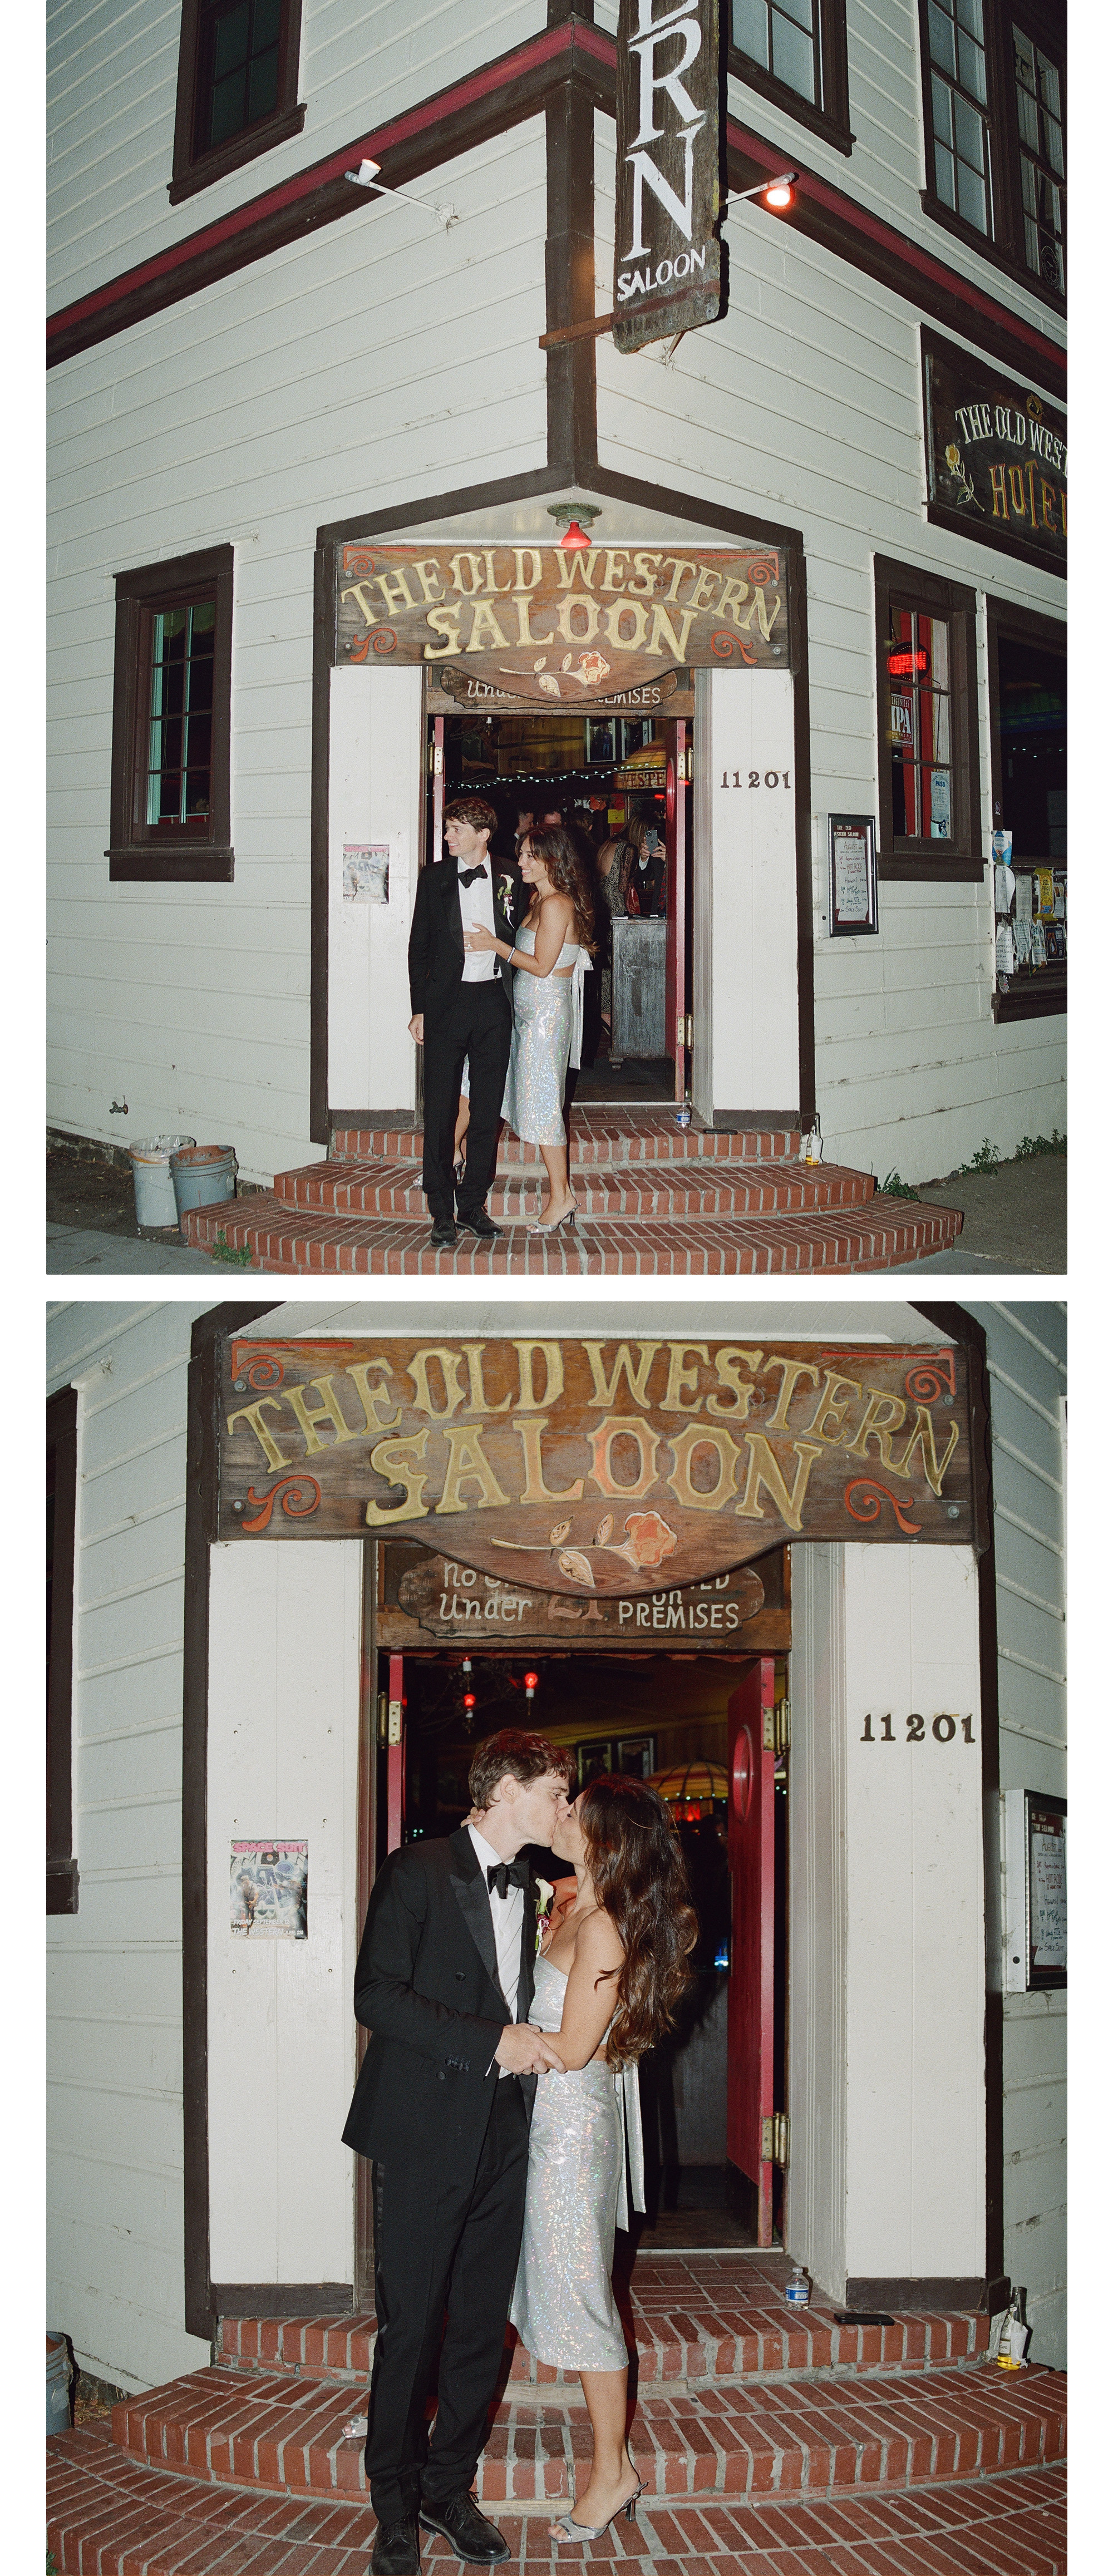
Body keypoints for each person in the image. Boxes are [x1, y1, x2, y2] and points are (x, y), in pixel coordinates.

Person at [342, 1731, 573, 2576]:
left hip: (505, 2136)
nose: (563, 1806)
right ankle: (394, 2505)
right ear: (507, 1788)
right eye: (555, 1790)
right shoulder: (418, 1871)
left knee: (481, 2324)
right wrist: (493, 2042)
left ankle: (449, 2489)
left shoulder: (543, 1888)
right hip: (421, 2133)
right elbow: (375, 1993)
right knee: (411, 2330)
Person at [509, 1776, 697, 2546]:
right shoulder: (568, 1901)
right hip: (536, 2120)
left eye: (574, 1808)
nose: (563, 1813)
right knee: (549, 2276)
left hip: (569, 2130)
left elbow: (574, 2047)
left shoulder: (605, 1930)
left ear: (603, 1836)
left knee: (584, 2291)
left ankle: (612, 2468)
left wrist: (485, 2040)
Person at [464, 827, 596, 1234]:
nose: (520, 862)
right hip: (527, 1017)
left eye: (528, 856)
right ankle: (559, 1194)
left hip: (546, 1020)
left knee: (543, 1107)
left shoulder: (557, 904)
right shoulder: (540, 899)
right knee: (530, 1101)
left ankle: (562, 1197)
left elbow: (541, 966)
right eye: (520, 854)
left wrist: (495, 946)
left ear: (551, 860)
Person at [407, 796, 520, 1250]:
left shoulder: (513, 875)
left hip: (494, 1002)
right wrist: (419, 1008)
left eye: (455, 829)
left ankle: (473, 1204)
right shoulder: (434, 878)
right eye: (448, 828)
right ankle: (440, 1209)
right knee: (439, 1107)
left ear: (482, 834)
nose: (448, 836)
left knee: (487, 1106)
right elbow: (418, 947)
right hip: (445, 1005)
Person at [624, 817, 666, 917]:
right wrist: (643, 859)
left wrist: (671, 862)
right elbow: (645, 877)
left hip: (679, 904)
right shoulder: (658, 851)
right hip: (659, 908)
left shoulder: (673, 847)